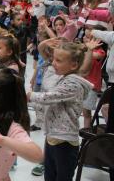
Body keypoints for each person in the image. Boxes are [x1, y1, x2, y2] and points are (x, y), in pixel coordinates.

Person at [28, 42, 92, 181]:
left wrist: (29, 96)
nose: (53, 63)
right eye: (53, 59)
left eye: (58, 60)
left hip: (65, 141)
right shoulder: (63, 79)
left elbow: (50, 97)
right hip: (53, 135)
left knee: (62, 177)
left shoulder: (73, 84)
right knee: (50, 175)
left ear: (73, 65)